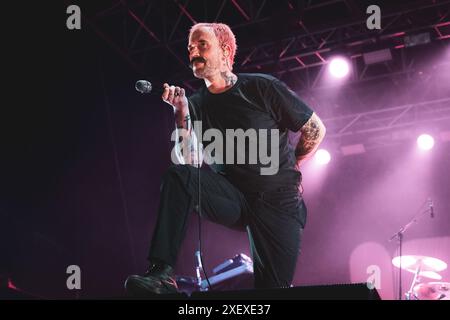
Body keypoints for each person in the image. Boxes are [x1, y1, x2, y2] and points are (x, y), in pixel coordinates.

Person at [125, 22, 326, 296]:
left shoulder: (260, 87)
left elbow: (314, 129)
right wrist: (181, 114)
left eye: (201, 44)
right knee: (178, 176)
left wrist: (295, 169)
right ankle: (161, 273)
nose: (192, 50)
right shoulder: (195, 104)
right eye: (190, 47)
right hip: (233, 197)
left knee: (272, 293)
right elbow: (188, 164)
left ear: (225, 50)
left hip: (277, 201)